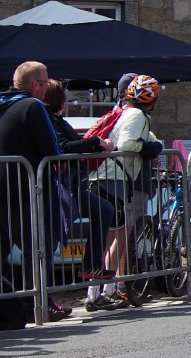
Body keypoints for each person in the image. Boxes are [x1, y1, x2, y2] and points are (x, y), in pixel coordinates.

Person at [0, 61, 73, 322]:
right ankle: (40, 303)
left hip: (4, 184)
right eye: (45, 82)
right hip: (26, 186)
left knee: (3, 249)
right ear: (37, 85)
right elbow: (52, 148)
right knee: (36, 247)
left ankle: (15, 304)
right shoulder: (33, 106)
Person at [88, 75, 164, 308]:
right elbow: (129, 144)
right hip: (113, 178)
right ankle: (98, 293)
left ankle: (103, 290)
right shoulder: (137, 115)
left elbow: (146, 137)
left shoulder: (129, 113)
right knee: (114, 237)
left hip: (112, 178)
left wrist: (155, 143)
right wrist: (149, 148)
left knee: (115, 236)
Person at [42, 80, 117, 295]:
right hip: (58, 187)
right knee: (50, 240)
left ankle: (90, 265)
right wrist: (96, 142)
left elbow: (75, 142)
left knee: (103, 209)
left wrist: (98, 143)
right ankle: (43, 297)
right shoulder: (48, 118)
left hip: (71, 185)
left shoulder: (58, 120)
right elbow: (64, 147)